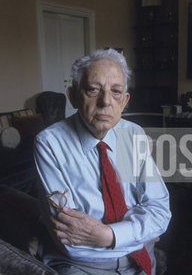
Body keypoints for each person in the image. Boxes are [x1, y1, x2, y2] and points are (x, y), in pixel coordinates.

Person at [34, 48, 171, 274]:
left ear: (125, 101)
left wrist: (108, 235)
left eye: (116, 91)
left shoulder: (132, 135)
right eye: (93, 89)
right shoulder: (50, 144)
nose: (105, 101)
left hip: (141, 260)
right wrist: (140, 232)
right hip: (85, 266)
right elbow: (71, 242)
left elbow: (160, 212)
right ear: (74, 96)